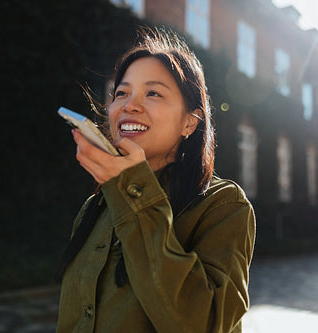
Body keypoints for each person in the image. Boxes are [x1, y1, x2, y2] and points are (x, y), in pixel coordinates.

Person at [55, 28, 256, 333]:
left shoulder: (223, 205)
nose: (129, 106)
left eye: (153, 93)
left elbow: (203, 324)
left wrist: (134, 193)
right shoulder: (94, 207)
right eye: (121, 93)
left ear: (190, 121)